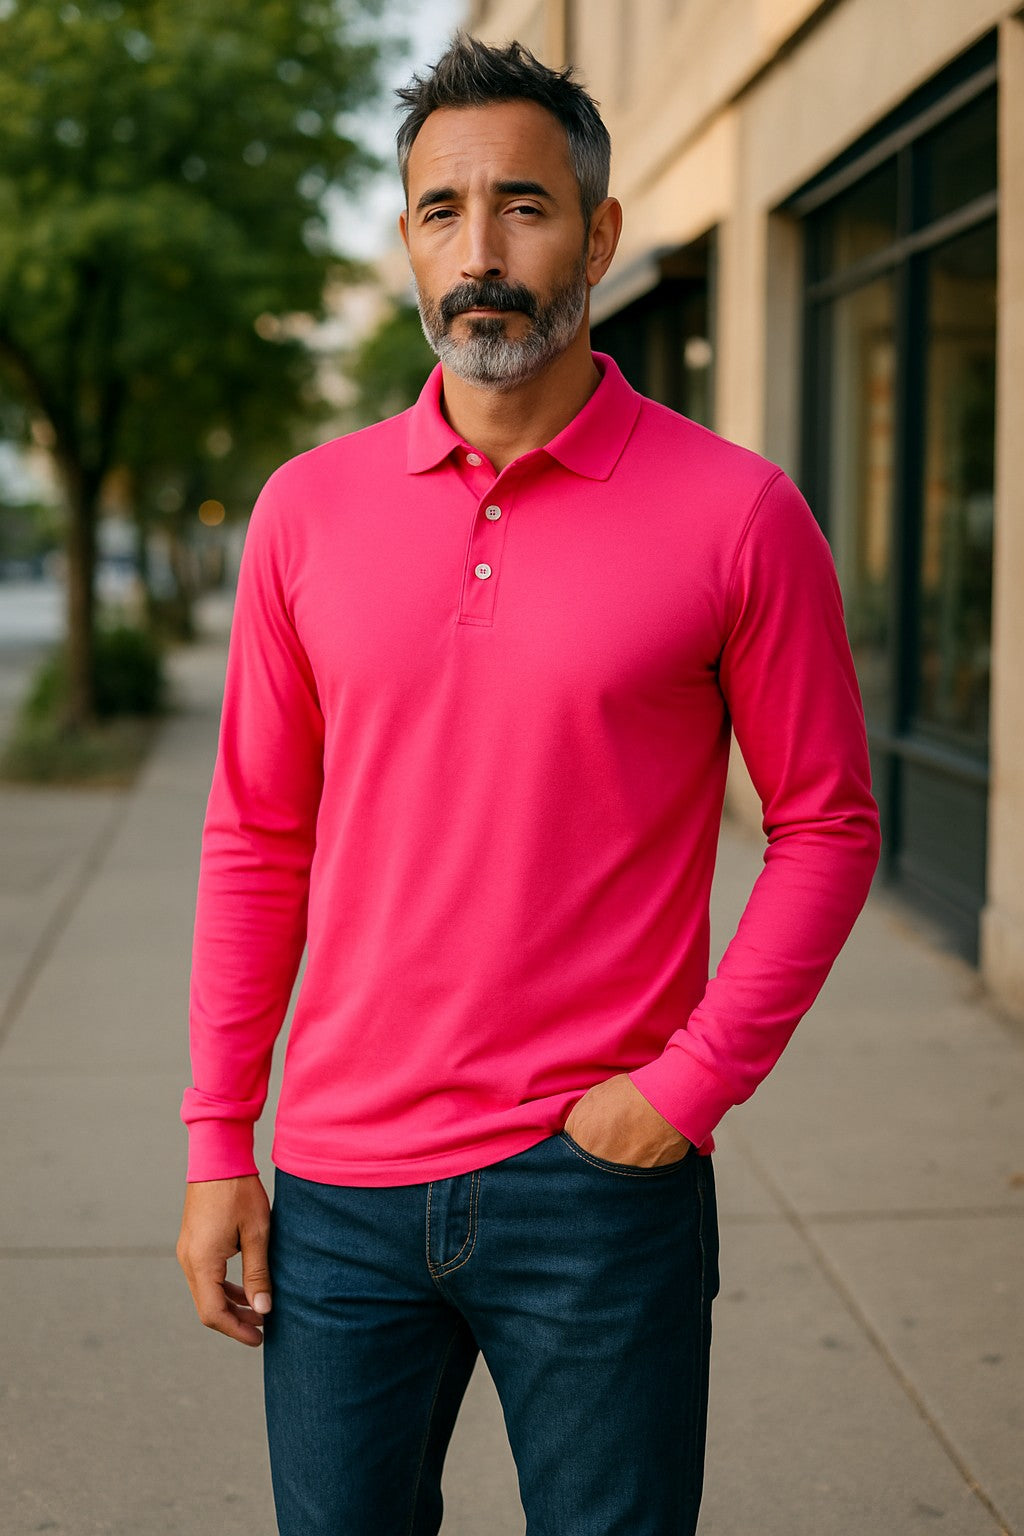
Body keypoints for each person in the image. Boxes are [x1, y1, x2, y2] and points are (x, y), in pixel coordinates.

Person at [176, 33, 881, 1536]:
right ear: (410, 242)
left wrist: (686, 1091)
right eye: (442, 211)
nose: (480, 252)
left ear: (600, 235)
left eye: (525, 206)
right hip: (343, 1188)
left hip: (598, 1187)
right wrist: (217, 1142)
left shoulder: (741, 514)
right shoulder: (307, 512)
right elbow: (255, 836)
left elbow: (827, 825)